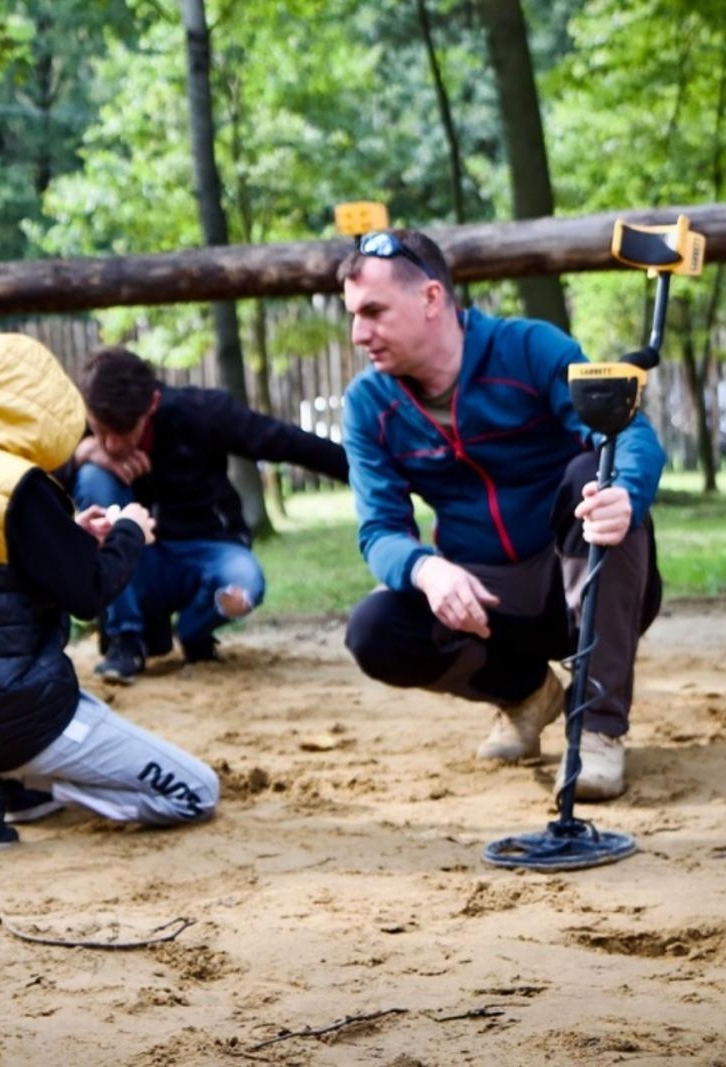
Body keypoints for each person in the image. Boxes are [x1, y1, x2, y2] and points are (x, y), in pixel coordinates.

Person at [338, 229, 664, 802]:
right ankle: (529, 694)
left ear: (431, 299)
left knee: (595, 470)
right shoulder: (368, 404)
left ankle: (598, 727)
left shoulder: (530, 348)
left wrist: (626, 495)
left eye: (373, 312)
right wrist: (425, 570)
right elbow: (379, 530)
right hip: (485, 601)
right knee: (375, 630)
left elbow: (626, 433)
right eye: (353, 315)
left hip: (583, 579)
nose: (358, 333)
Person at [0, 333, 219, 850]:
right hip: (21, 717)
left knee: (8, 722)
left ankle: (0, 778)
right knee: (195, 793)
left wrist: (72, 532)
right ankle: (27, 776)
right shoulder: (19, 484)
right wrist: (129, 533)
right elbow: (88, 595)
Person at [70, 346, 349, 683]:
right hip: (139, 560)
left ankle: (193, 632)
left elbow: (284, 440)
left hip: (208, 548)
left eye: (124, 431)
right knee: (92, 477)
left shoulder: (200, 411)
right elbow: (31, 480)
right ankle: (126, 639)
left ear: (152, 404)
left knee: (245, 583)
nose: (112, 445)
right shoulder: (78, 427)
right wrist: (80, 454)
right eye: (102, 431)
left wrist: (368, 472)